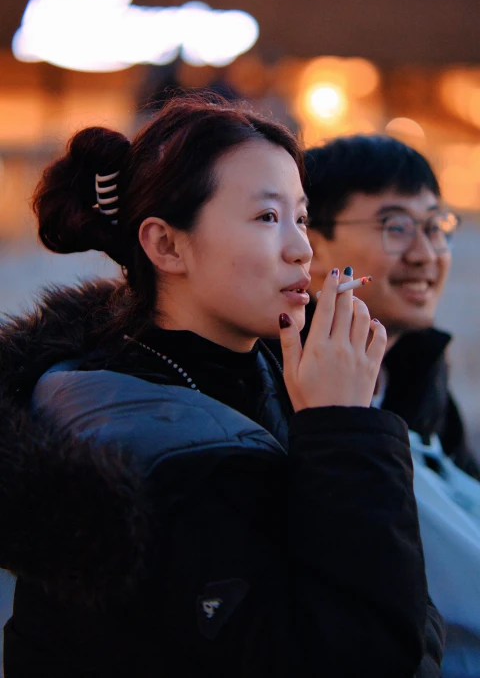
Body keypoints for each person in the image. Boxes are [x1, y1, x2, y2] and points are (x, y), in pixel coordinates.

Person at [0, 96, 443, 677]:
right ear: (166, 245)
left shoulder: (271, 376)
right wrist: (345, 428)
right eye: (266, 218)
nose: (302, 249)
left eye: (302, 217)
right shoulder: (138, 446)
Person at [300, 135, 479, 478]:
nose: (425, 254)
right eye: (396, 227)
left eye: (435, 227)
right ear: (312, 249)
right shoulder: (278, 381)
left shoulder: (419, 369)